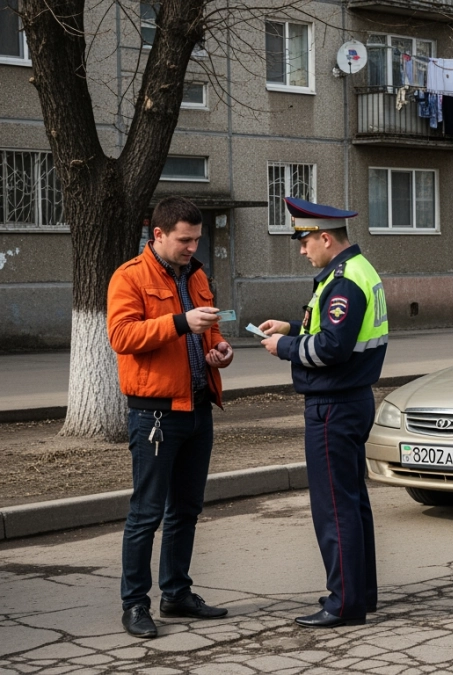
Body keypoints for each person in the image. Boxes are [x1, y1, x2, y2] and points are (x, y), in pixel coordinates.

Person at [107, 196, 234, 639]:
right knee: (146, 514)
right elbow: (122, 336)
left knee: (186, 510)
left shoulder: (197, 273)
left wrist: (220, 351)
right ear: (157, 234)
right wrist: (181, 323)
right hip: (155, 415)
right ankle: (135, 605)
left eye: (196, 239)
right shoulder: (129, 276)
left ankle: (177, 593)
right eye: (185, 239)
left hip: (198, 408)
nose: (192, 247)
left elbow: (210, 330)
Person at [258, 197, 388, 628]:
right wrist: (291, 327)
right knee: (351, 502)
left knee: (334, 507)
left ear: (325, 238)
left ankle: (344, 603)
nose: (302, 249)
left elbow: (331, 348)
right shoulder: (354, 271)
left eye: (304, 241)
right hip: (350, 400)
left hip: (333, 404)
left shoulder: (344, 281)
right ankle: (360, 592)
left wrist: (285, 348)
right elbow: (332, 331)